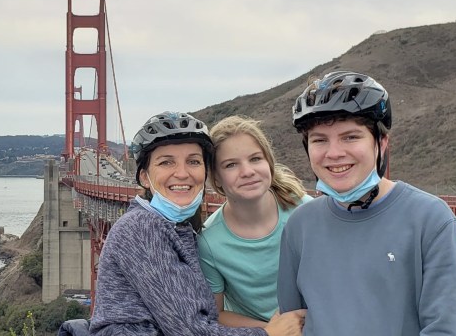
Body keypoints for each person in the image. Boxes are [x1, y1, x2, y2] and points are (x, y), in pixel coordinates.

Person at [278, 71, 456, 335]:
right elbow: (292, 323)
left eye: (351, 136)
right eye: (319, 140)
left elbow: (448, 329)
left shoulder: (430, 220)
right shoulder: (299, 226)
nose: (334, 153)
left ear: (381, 144)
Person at [88, 111, 304, 336]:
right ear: (144, 177)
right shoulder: (140, 228)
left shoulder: (176, 227)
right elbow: (190, 330)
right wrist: (269, 334)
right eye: (166, 162)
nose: (182, 173)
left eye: (193, 161)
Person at [198, 115, 312, 328]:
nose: (247, 172)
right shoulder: (209, 242)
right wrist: (270, 330)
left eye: (255, 159)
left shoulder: (304, 210)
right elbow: (216, 313)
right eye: (231, 165)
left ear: (269, 163)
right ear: (216, 178)